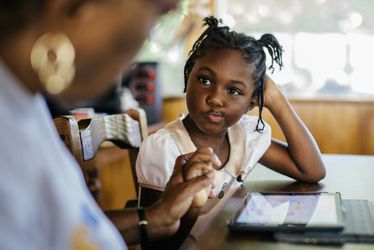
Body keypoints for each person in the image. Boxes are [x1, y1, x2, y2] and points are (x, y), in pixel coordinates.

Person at [0, 0, 218, 249]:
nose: (138, 54)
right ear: (73, 8)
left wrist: (159, 216)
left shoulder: (26, 103)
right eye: (158, 15)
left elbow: (66, 227)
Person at [136, 16, 326, 248]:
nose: (215, 98)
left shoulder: (244, 135)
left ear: (252, 103)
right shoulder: (163, 148)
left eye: (234, 91)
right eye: (205, 80)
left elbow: (311, 170)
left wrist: (275, 99)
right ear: (188, 76)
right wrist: (193, 204)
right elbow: (154, 245)